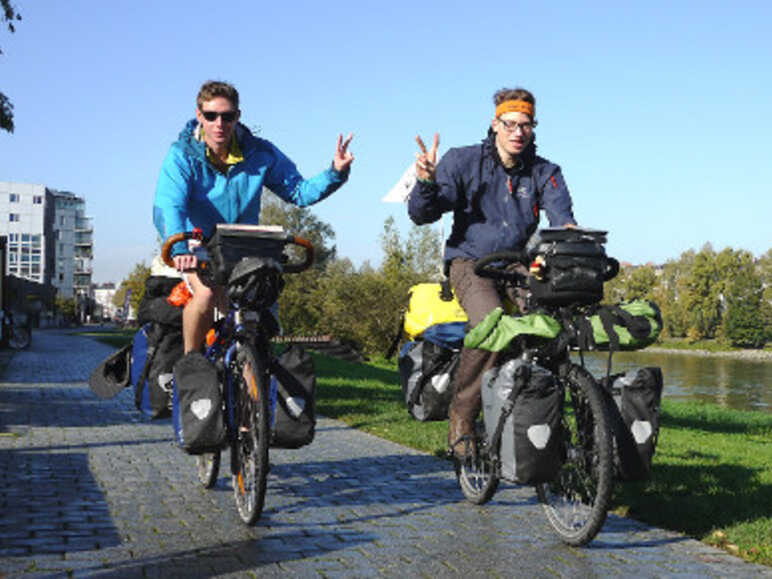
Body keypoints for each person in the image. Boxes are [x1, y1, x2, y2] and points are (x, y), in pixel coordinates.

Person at [407, 87, 576, 458]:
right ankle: (462, 417)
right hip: (470, 261)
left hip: (519, 263)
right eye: (510, 124)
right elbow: (422, 215)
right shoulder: (463, 161)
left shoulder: (545, 172)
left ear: (534, 127)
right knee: (490, 323)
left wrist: (564, 245)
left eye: (526, 125)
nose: (518, 132)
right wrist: (427, 183)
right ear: (495, 124)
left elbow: (562, 219)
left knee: (555, 320)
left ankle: (548, 418)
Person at [153, 80, 354, 353]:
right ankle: (192, 366)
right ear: (199, 116)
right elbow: (168, 205)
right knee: (207, 294)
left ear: (238, 116)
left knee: (250, 315)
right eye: (211, 116)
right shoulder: (182, 155)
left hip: (241, 245)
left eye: (227, 116)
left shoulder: (259, 153)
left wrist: (335, 172)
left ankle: (253, 388)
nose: (219, 123)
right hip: (196, 244)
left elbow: (298, 192)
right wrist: (178, 247)